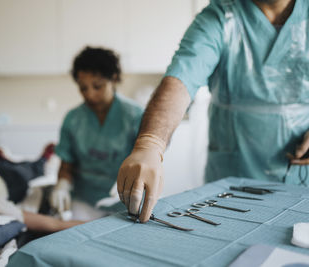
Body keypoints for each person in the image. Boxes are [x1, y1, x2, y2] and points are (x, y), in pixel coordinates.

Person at [117, 0, 309, 222]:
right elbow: (181, 80)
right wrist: (150, 144)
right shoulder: (222, 16)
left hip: (301, 176)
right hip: (234, 180)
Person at [50, 46, 144, 220]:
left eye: (97, 86)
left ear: (113, 79)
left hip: (126, 197)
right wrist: (61, 185)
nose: (90, 95)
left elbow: (145, 160)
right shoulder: (73, 119)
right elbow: (66, 164)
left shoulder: (134, 115)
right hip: (85, 200)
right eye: (83, 88)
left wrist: (131, 182)